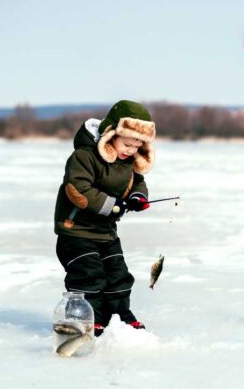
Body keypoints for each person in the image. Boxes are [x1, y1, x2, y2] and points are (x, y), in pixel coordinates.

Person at [54, 100, 156, 336]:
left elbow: (138, 181)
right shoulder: (85, 156)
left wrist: (137, 198)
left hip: (105, 231)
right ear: (111, 135)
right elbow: (77, 188)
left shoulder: (128, 161)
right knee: (89, 276)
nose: (131, 150)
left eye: (137, 145)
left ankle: (120, 317)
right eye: (127, 143)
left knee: (118, 274)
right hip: (76, 230)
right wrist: (113, 206)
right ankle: (92, 319)